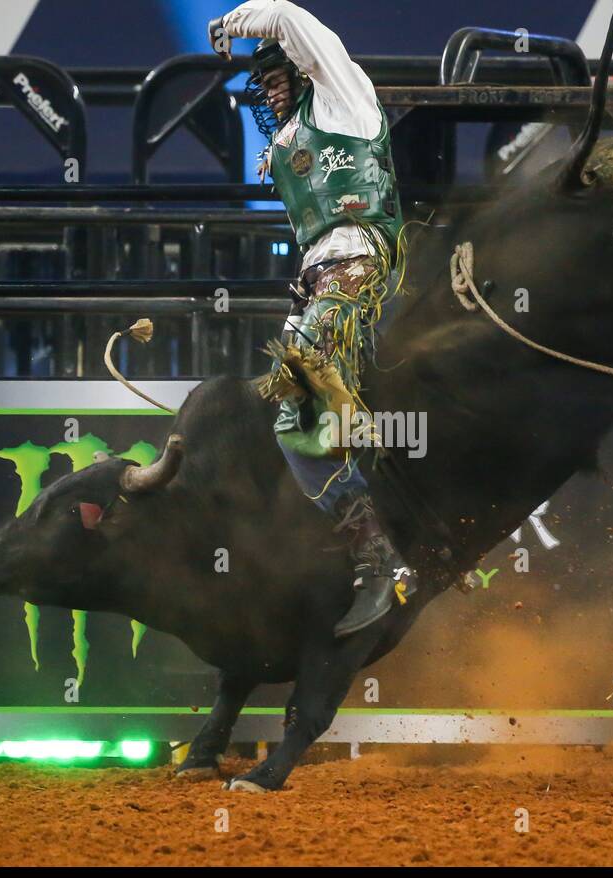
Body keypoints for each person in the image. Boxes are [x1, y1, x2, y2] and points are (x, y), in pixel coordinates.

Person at [208, 0, 416, 636]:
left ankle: (380, 554)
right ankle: (372, 542)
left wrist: (230, 24)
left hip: (360, 260)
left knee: (303, 384)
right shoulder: (289, 141)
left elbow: (292, 18)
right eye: (263, 85)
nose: (271, 93)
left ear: (303, 72)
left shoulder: (341, 95)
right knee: (289, 419)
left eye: (278, 79)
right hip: (327, 277)